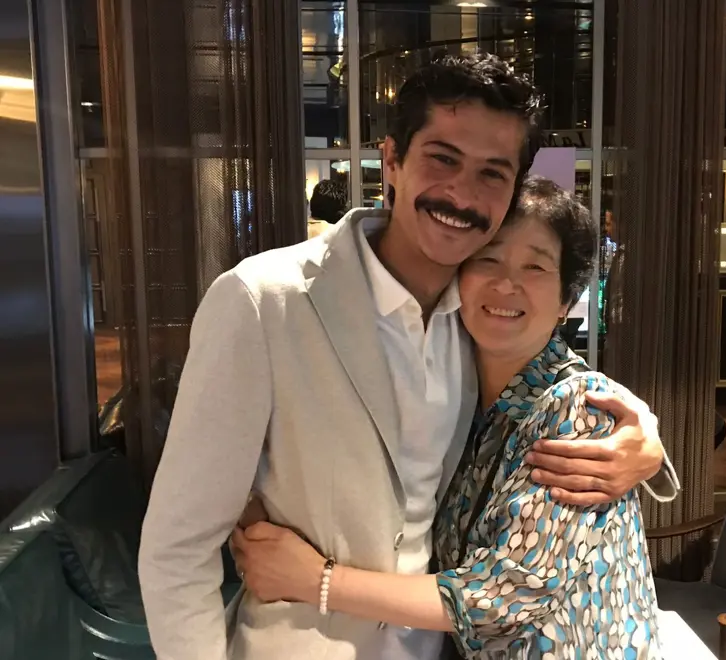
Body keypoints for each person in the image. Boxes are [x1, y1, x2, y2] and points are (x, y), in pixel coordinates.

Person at [138, 53, 679, 660]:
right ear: (392, 158)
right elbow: (178, 547)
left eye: (492, 173)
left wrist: (646, 442)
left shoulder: (473, 321)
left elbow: (552, 396)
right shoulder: (265, 300)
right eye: (442, 159)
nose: (462, 194)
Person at [231, 177, 662, 659]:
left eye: (535, 266)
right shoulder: (456, 385)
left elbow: (501, 598)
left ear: (566, 300)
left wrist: (316, 580)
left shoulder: (577, 408)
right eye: (488, 259)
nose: (506, 283)